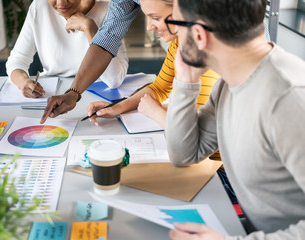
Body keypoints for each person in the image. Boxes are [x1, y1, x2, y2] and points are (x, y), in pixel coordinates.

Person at [165, 0, 305, 239]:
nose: (174, 33)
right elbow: (185, 153)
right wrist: (185, 81)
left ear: (198, 35)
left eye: (175, 23)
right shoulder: (229, 84)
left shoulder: (289, 99)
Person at [86, 0, 220, 129]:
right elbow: (160, 88)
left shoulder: (207, 53)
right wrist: (118, 107)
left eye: (155, 17)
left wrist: (157, 113)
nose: (148, 27)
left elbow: (195, 135)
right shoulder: (178, 43)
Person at [6, 0, 128, 98]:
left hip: (96, 97)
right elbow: (17, 60)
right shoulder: (40, 6)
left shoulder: (112, 11)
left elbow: (114, 80)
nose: (61, 4)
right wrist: (23, 82)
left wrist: (90, 28)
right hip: (51, 95)